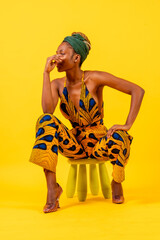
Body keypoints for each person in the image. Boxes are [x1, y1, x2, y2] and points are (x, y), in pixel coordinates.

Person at [29, 32, 145, 213]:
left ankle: (116, 181)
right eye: (56, 53)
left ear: (76, 58)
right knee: (45, 121)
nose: (56, 58)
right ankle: (52, 189)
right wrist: (45, 74)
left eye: (61, 53)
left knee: (121, 136)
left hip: (100, 143)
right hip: (74, 145)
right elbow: (47, 111)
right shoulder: (57, 84)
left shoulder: (95, 78)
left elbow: (137, 90)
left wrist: (127, 124)